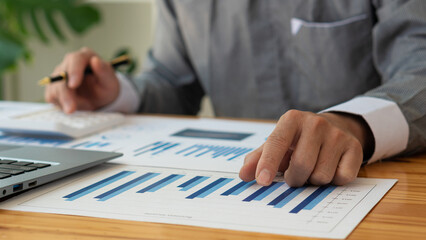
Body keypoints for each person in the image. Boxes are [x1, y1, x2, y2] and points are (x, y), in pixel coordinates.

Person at [44, 0, 426, 187]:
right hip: (246, 190)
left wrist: (352, 123)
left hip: (375, 187)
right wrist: (115, 95)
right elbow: (173, 82)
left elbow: (420, 68)